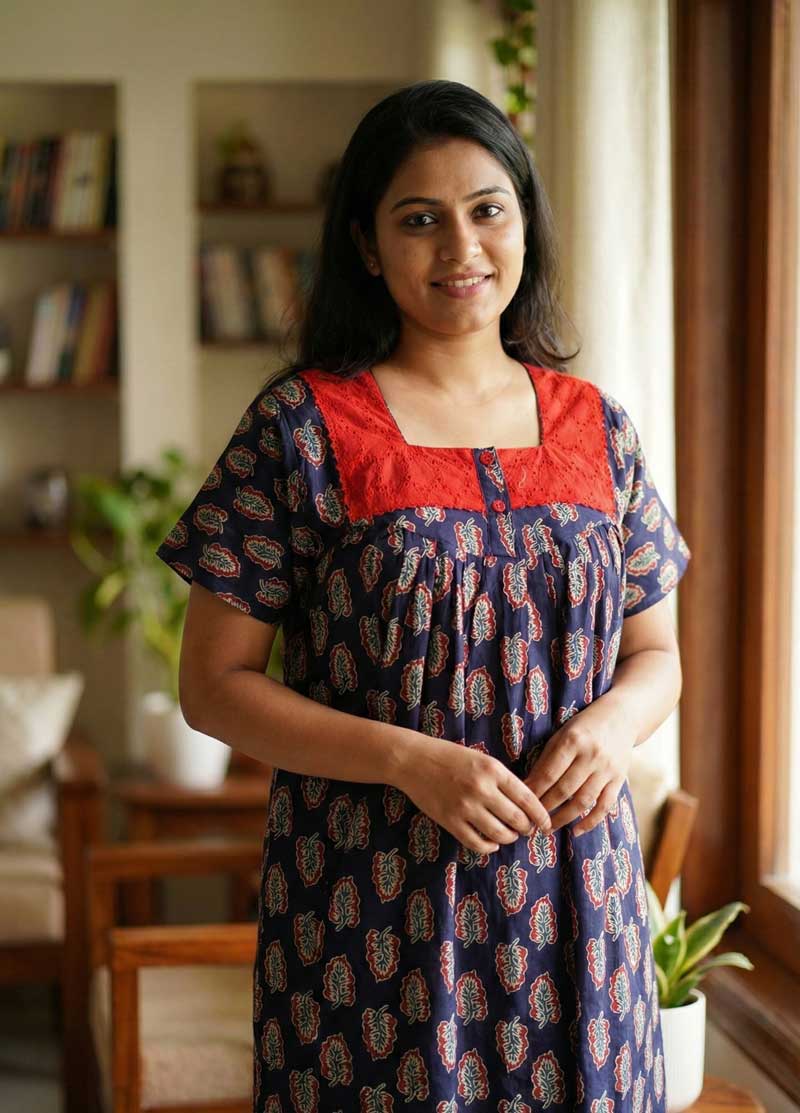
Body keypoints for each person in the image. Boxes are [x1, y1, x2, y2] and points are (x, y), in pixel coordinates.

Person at [156, 79, 690, 1111]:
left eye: (487, 209)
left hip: (579, 913)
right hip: (370, 918)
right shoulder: (301, 428)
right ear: (366, 245)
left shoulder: (598, 427)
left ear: (524, 224)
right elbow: (213, 687)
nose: (461, 247)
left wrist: (614, 727)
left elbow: (656, 654)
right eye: (419, 219)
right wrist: (409, 761)